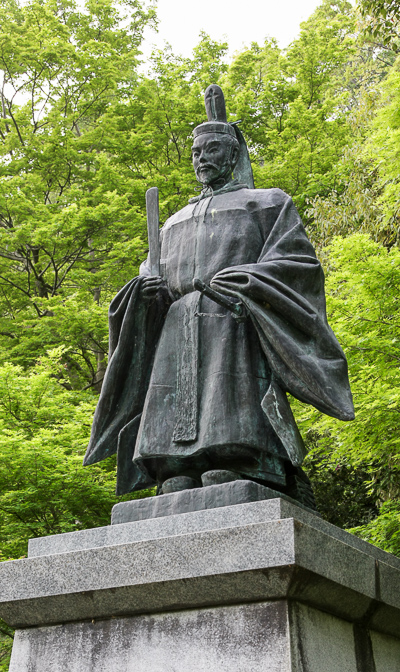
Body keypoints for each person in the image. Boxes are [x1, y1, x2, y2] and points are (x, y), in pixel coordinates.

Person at [84, 85, 354, 509]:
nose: (202, 159)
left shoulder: (266, 204)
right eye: (196, 153)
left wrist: (249, 281)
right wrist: (145, 293)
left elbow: (297, 263)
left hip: (233, 319)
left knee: (230, 395)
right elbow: (149, 272)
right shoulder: (173, 222)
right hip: (176, 323)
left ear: (233, 155)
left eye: (212, 150)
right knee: (172, 394)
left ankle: (240, 457)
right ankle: (176, 467)